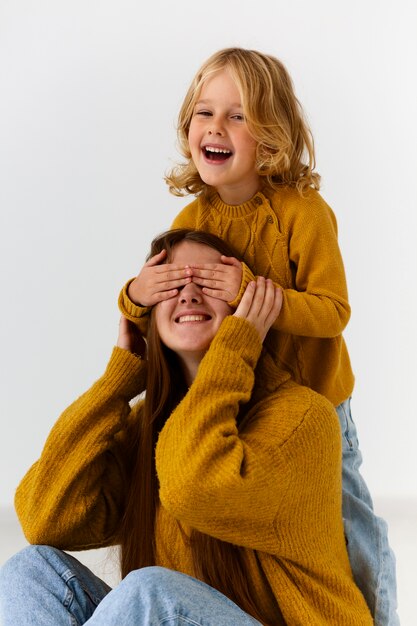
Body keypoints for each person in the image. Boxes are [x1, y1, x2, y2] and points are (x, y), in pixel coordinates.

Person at [118, 48, 398, 624]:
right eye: (204, 113)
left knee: (348, 526)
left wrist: (255, 293)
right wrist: (134, 295)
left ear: (270, 135)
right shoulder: (192, 220)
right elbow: (172, 307)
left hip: (317, 405)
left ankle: (376, 615)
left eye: (237, 116)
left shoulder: (303, 212)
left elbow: (333, 311)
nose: (215, 127)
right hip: (246, 396)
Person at [0, 229, 373, 625]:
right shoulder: (148, 427)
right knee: (30, 571)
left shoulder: (302, 419)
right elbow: (45, 517)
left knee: (150, 591)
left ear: (248, 303)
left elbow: (191, 485)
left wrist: (238, 344)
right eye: (171, 282)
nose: (189, 293)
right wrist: (117, 381)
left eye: (211, 280)